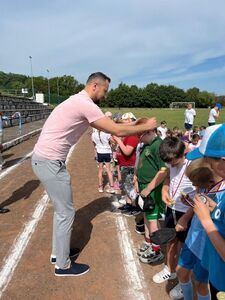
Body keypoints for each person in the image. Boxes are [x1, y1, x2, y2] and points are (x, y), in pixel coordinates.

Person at [31, 72, 157, 277]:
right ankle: (63, 265)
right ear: (95, 86)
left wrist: (135, 125)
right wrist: (146, 126)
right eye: (105, 90)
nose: (105, 95)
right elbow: (117, 130)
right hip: (50, 162)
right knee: (66, 213)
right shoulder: (85, 104)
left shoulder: (79, 101)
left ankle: (58, 254)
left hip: (46, 160)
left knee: (62, 212)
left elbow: (115, 126)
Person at [172, 158, 221, 300]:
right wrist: (187, 209)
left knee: (201, 283)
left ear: (210, 181)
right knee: (181, 271)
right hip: (194, 236)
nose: (194, 186)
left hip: (208, 246)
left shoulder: (221, 194)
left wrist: (208, 214)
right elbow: (199, 201)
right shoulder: (206, 184)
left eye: (196, 184)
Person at [187, 124, 225, 297]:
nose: (206, 165)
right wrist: (213, 208)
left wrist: (206, 220)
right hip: (218, 275)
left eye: (208, 160)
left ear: (222, 161)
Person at [152, 137, 196, 284]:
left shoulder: (194, 167)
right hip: (172, 209)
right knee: (170, 240)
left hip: (188, 213)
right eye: (168, 162)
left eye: (173, 162)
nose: (170, 164)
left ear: (183, 153)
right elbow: (169, 177)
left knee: (185, 247)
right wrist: (165, 190)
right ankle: (168, 270)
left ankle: (184, 280)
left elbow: (200, 197)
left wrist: (185, 218)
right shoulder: (171, 161)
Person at [134, 120, 167, 264]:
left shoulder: (158, 145)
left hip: (151, 188)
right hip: (144, 187)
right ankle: (149, 242)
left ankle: (156, 250)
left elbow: (163, 170)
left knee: (153, 220)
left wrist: (148, 188)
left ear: (148, 131)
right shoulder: (147, 145)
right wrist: (136, 178)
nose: (138, 138)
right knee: (147, 216)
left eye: (140, 135)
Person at [91, 112, 114, 193]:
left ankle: (100, 187)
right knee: (108, 170)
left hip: (99, 152)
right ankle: (112, 187)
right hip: (107, 152)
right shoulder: (106, 133)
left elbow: (94, 144)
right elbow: (113, 142)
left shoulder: (94, 134)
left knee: (100, 170)